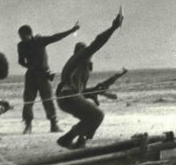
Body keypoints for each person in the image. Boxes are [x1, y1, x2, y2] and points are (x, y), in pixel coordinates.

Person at [55, 10, 123, 150]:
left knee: (91, 114)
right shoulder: (79, 58)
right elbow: (98, 42)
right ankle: (71, 138)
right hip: (67, 98)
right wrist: (113, 27)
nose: (90, 55)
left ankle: (74, 140)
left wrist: (96, 92)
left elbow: (80, 90)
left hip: (66, 99)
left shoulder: (82, 66)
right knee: (97, 115)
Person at [17, 21, 78, 134]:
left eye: (23, 36)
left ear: (29, 34)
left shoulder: (40, 41)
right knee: (28, 101)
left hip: (44, 75)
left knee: (48, 100)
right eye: (20, 37)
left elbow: (56, 37)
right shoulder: (21, 45)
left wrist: (71, 30)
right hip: (32, 75)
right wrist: (29, 66)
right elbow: (20, 61)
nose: (21, 39)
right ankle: (28, 125)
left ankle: (53, 125)